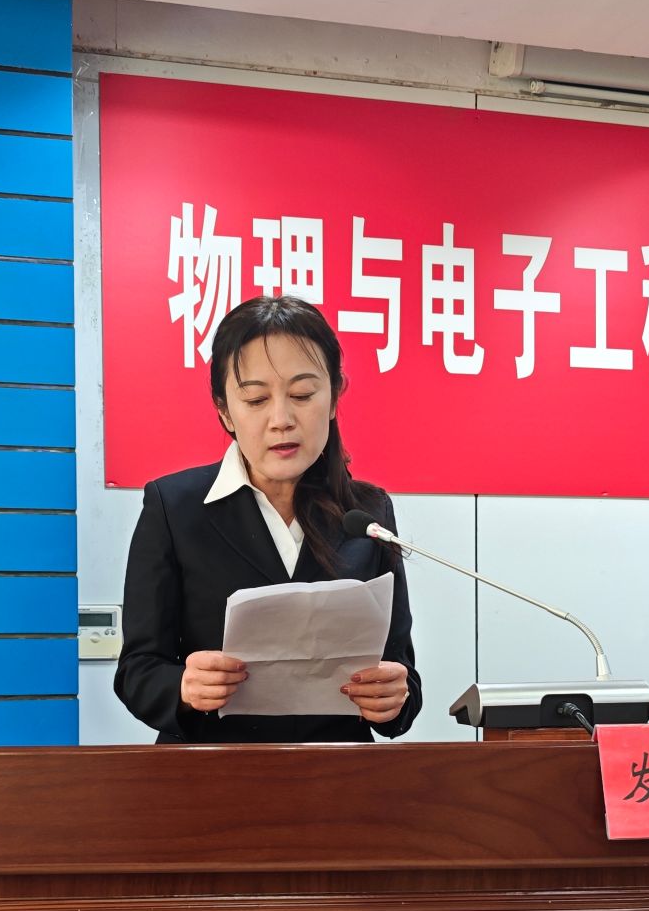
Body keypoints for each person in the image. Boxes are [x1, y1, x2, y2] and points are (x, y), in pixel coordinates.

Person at [114, 295, 421, 743]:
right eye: (256, 399)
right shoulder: (173, 507)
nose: (281, 419)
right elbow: (137, 671)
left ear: (334, 397)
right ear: (225, 410)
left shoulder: (368, 513)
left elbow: (400, 673)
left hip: (338, 773)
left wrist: (394, 698)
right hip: (210, 773)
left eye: (302, 395)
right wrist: (182, 687)